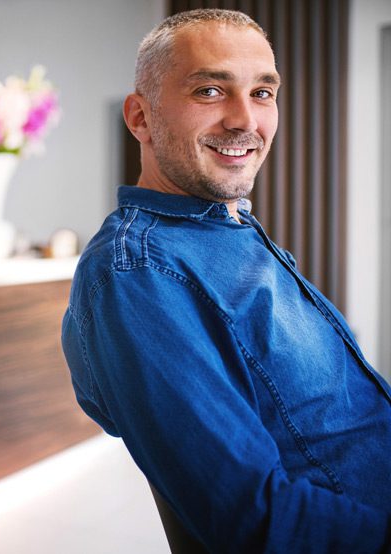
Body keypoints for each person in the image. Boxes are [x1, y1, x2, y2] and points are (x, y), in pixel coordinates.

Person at [61, 8, 391, 553]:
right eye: (211, 91)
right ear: (140, 118)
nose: (245, 120)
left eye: (263, 92)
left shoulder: (231, 230)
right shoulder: (138, 272)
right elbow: (254, 517)